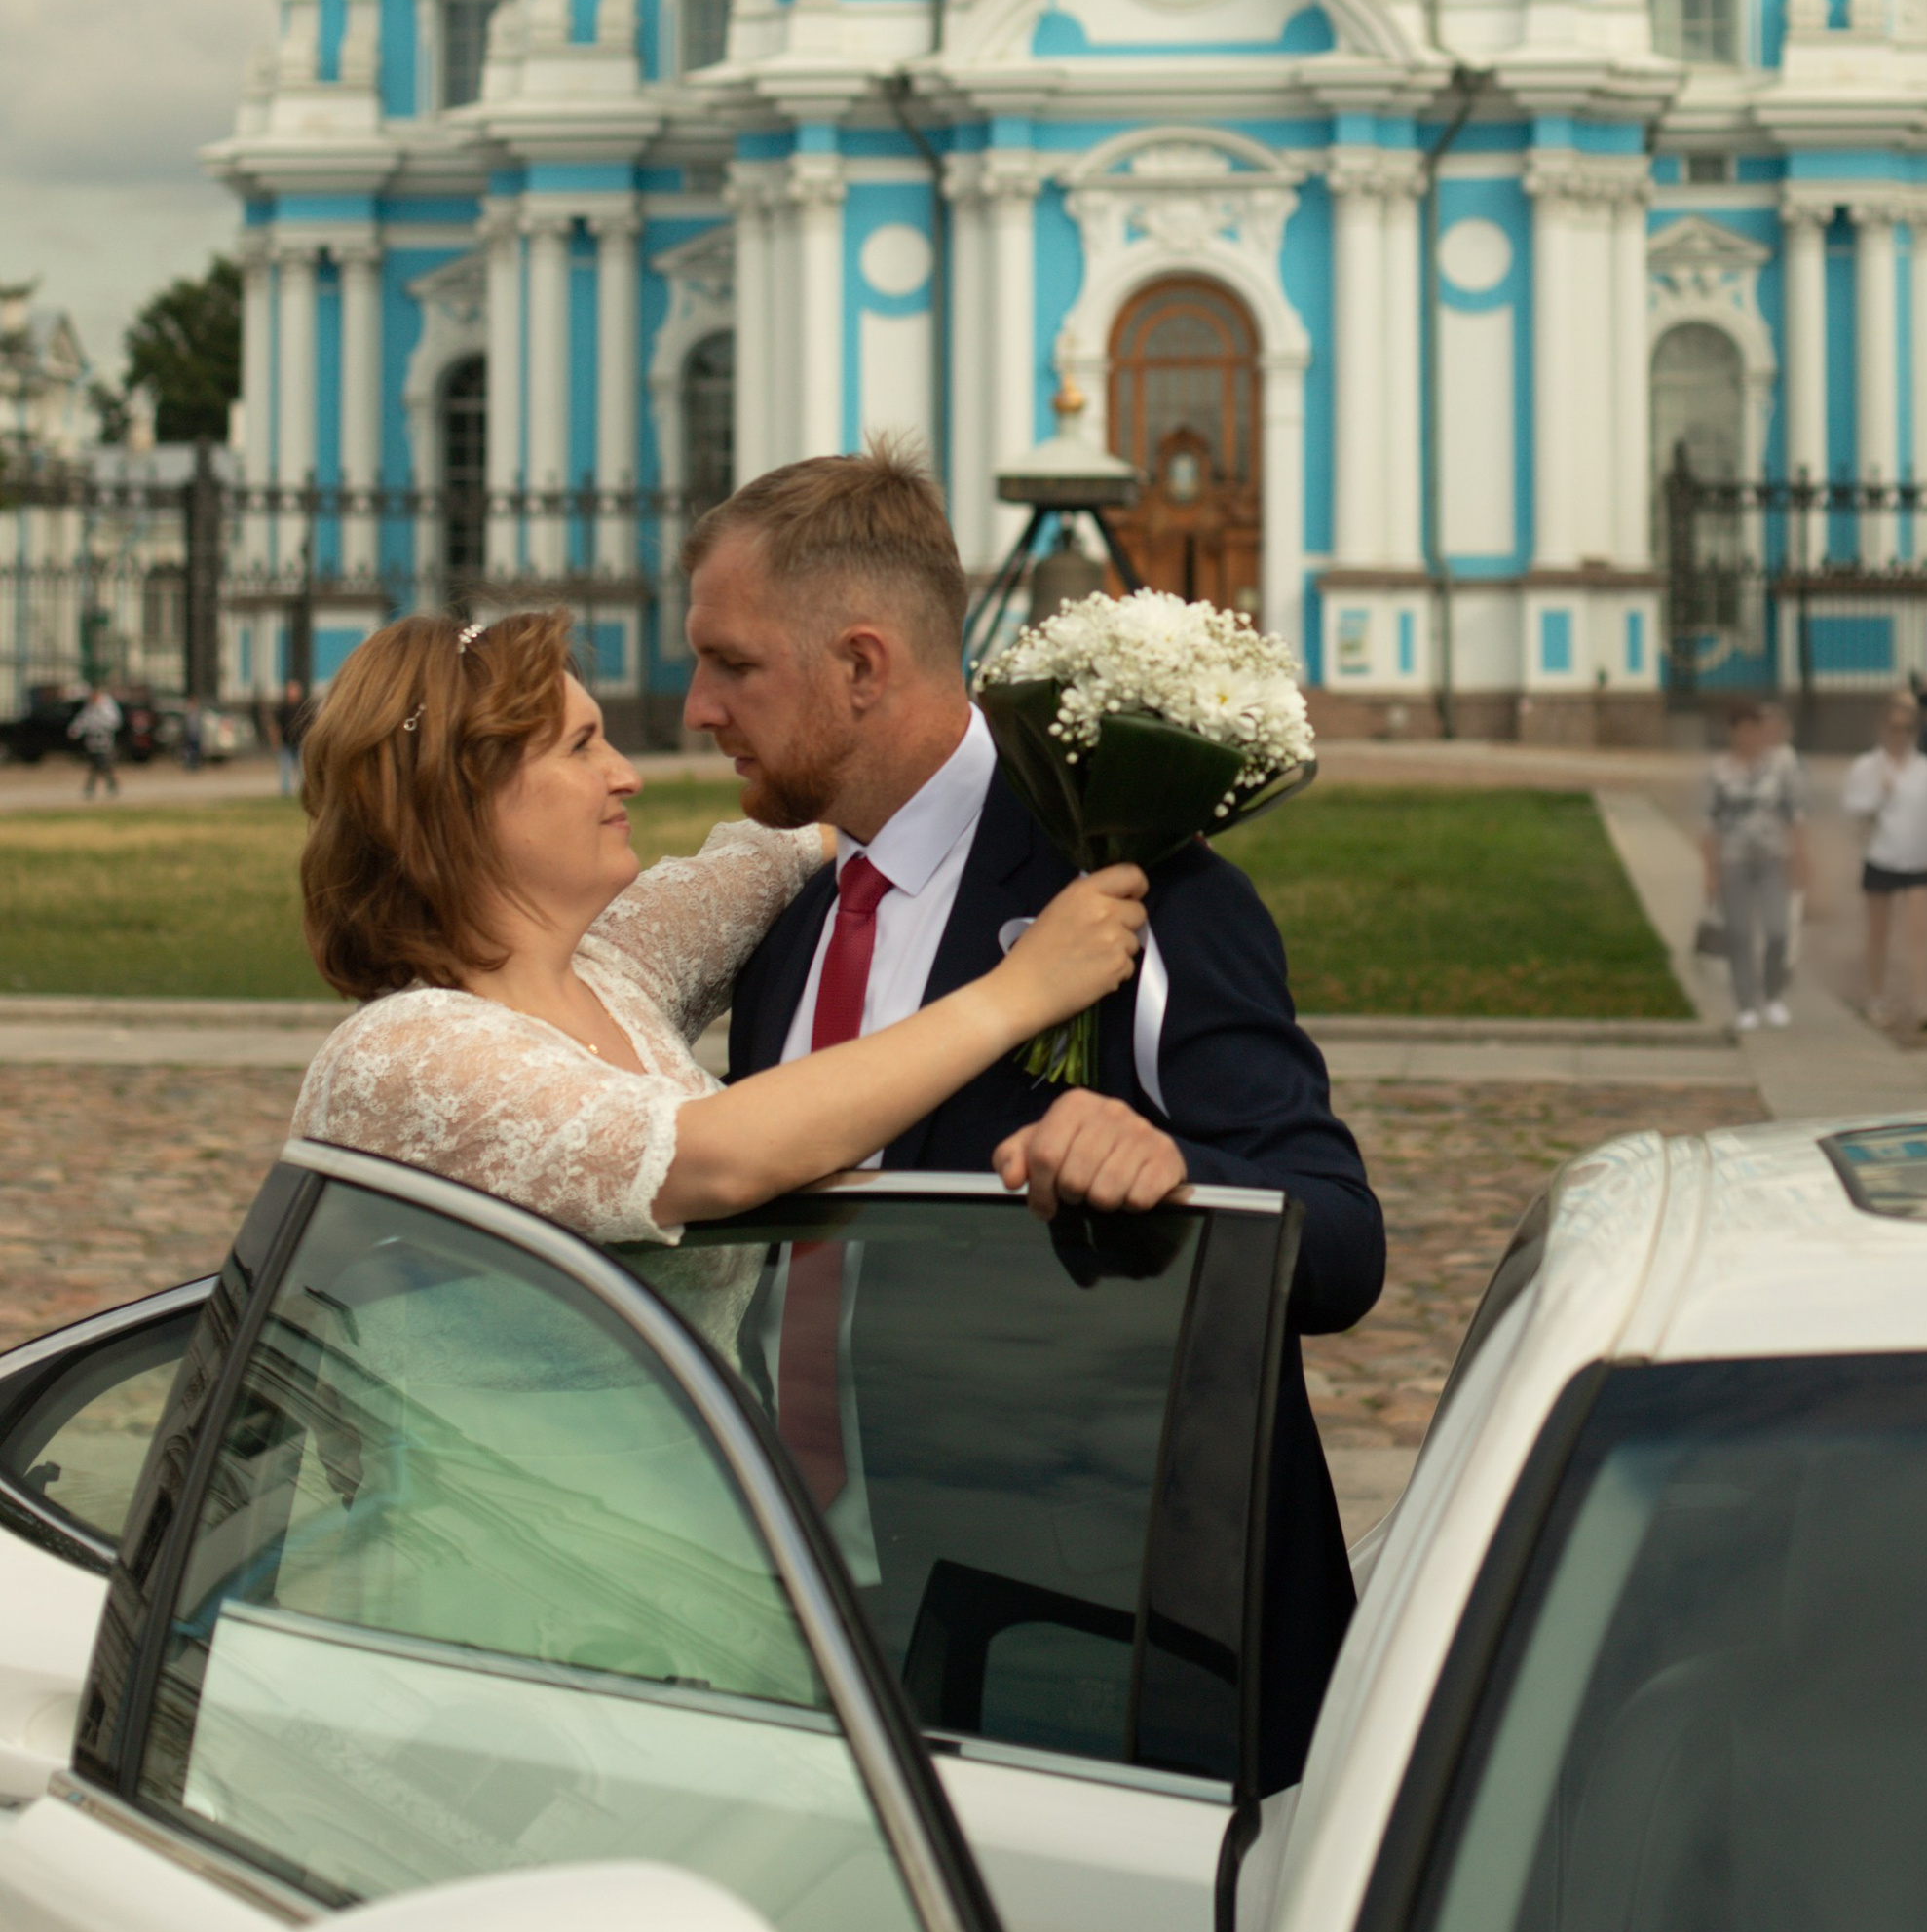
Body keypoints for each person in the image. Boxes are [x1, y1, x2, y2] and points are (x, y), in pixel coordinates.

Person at [694, 439, 1384, 1789]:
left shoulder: (1133, 884)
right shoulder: (794, 925)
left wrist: (1176, 1165)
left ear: (861, 665)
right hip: (831, 1610)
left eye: (732, 664)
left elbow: (1343, 1240)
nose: (697, 707)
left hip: (1103, 1650)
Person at [291, 607, 1148, 1245]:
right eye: (582, 746)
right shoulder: (399, 1054)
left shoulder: (615, 966)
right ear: (462, 795)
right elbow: (723, 1156)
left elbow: (791, 844)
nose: (627, 774)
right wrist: (1017, 993)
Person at [1700, 695, 1811, 1034]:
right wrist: (1710, 871)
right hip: (1734, 860)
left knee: (1778, 931)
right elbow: (1710, 823)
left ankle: (1772, 995)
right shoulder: (1719, 770)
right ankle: (1745, 1003)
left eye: (1754, 728)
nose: (1749, 735)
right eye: (1742, 729)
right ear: (1733, 732)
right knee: (1739, 934)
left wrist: (1800, 859)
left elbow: (1795, 815)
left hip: (1772, 858)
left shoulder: (1779, 766)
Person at [1843, 691, 1927, 1027]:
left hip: (1918, 858)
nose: (1900, 735)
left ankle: (1922, 1000)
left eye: (1907, 729)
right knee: (1878, 933)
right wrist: (1879, 793)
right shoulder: (1866, 766)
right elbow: (1854, 808)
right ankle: (1876, 997)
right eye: (1894, 727)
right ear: (1882, 728)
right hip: (1881, 855)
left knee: (1920, 932)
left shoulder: (1925, 768)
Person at [66, 686, 122, 801]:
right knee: (99, 764)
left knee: (99, 763)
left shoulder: (107, 707)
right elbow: (82, 720)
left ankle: (92, 786)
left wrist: (101, 723)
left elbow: (115, 722)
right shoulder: (89, 708)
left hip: (105, 740)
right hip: (92, 741)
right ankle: (110, 784)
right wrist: (75, 730)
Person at [274, 675, 309, 800]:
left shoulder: (304, 707)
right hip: (286, 743)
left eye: (294, 690)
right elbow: (276, 725)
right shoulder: (283, 708)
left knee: (301, 769)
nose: (292, 693)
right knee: (285, 768)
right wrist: (276, 740)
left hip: (299, 743)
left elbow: (310, 724)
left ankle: (303, 789)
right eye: (290, 690)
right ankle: (286, 790)